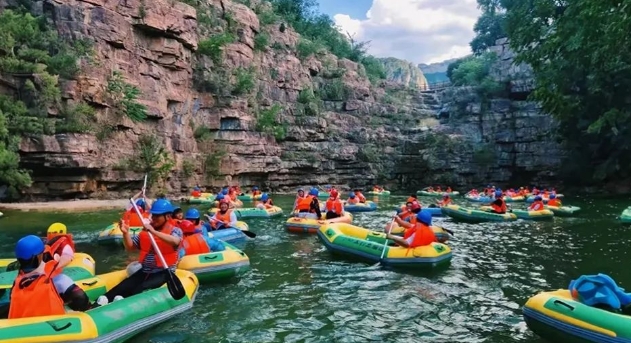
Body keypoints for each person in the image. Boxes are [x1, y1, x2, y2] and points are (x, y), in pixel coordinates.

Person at [95, 199, 183, 305]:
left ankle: (122, 304)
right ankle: (96, 304)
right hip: (145, 270)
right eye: (153, 215)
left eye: (157, 216)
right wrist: (125, 233)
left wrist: (153, 232)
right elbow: (130, 247)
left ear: (168, 216)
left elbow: (175, 241)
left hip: (163, 272)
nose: (153, 218)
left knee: (141, 288)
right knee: (121, 287)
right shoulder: (145, 232)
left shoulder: (175, 231)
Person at [8, 235, 90, 319]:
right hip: (52, 327)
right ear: (39, 256)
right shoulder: (55, 277)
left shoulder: (16, 284)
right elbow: (80, 298)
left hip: (20, 327)